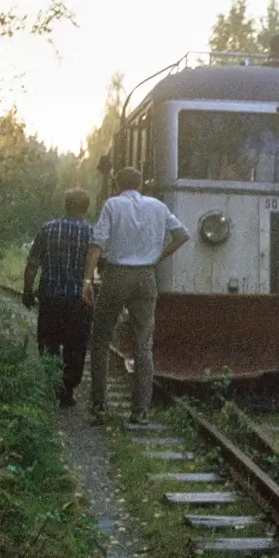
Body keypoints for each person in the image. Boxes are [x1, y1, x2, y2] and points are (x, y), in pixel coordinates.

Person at [83, 167, 190, 424]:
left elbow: (97, 244)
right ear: (141, 184)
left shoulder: (112, 205)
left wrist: (87, 279)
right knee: (143, 344)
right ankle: (140, 411)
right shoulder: (157, 207)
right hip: (145, 277)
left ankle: (99, 405)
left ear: (117, 183)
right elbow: (182, 235)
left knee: (100, 339)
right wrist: (158, 257)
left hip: (116, 275)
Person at [23, 188, 94, 408]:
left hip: (51, 297)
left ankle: (52, 385)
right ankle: (68, 391)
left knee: (48, 342)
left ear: (66, 205)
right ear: (86, 208)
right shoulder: (93, 233)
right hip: (79, 301)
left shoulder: (48, 229)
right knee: (76, 345)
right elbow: (103, 265)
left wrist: (27, 290)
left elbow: (33, 263)